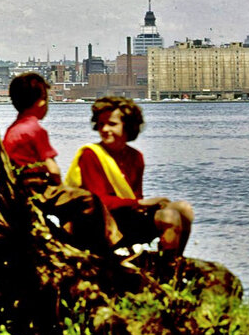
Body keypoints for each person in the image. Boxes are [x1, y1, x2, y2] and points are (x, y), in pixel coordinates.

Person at [2, 72, 123, 253]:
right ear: (41, 101)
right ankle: (110, 246)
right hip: (38, 189)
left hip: (21, 187)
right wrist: (61, 186)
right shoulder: (35, 129)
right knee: (89, 200)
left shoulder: (13, 129)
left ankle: (77, 242)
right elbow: (54, 169)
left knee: (73, 206)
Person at [65, 96, 194, 262]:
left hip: (125, 217)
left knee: (183, 209)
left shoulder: (135, 157)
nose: (104, 129)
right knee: (169, 217)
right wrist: (141, 204)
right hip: (100, 224)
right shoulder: (90, 155)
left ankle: (176, 262)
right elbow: (97, 201)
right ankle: (166, 269)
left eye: (112, 124)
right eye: (101, 124)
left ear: (128, 125)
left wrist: (142, 205)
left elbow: (134, 197)